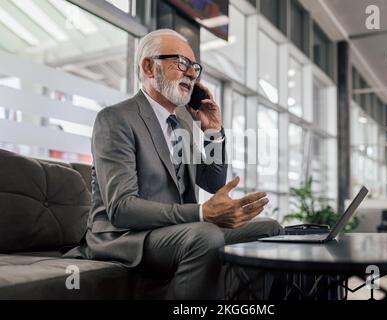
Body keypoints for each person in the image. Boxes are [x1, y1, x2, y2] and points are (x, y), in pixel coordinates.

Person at [65, 29, 283, 299]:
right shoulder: (116, 118)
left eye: (194, 67)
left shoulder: (182, 124)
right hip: (126, 237)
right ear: (148, 66)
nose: (192, 74)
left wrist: (213, 131)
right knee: (205, 236)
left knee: (270, 230)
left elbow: (213, 183)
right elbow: (122, 209)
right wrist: (202, 214)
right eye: (182, 63)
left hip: (177, 232)